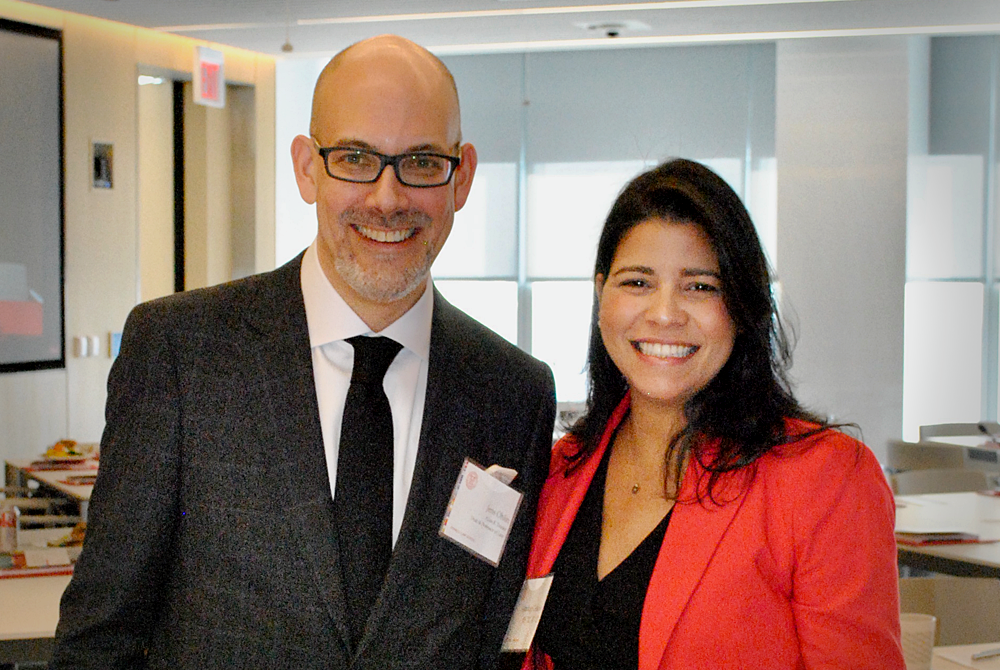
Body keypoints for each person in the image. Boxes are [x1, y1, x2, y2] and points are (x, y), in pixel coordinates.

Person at [50, 35, 556, 670]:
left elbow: (498, 638)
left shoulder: (513, 392)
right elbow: (102, 635)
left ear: (463, 177)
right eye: (355, 158)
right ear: (306, 167)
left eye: (422, 162)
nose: (388, 198)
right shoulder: (183, 353)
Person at [520, 159, 904, 669]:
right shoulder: (561, 470)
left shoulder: (826, 480)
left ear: (742, 308)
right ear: (600, 293)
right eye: (637, 282)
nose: (664, 313)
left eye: (700, 286)